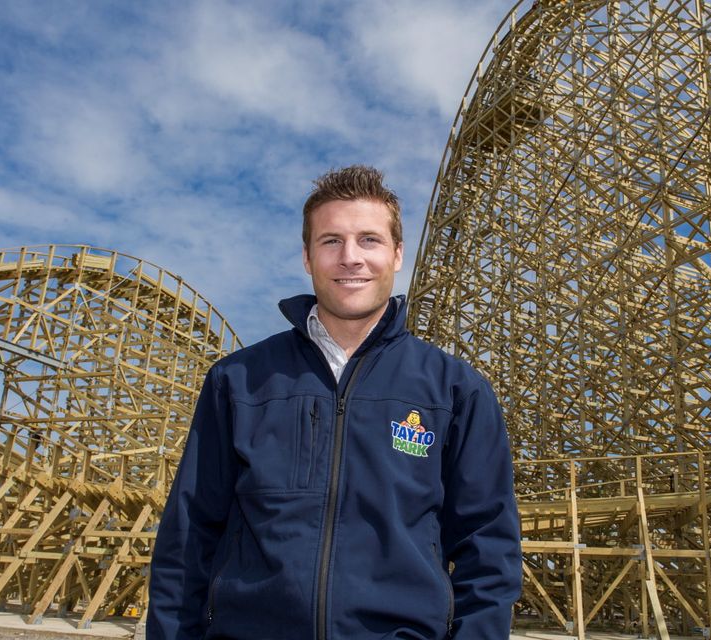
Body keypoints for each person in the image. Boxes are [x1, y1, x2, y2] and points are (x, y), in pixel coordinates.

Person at [147, 165, 521, 639]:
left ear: (397, 254)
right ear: (307, 257)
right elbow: (187, 538)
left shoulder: (456, 391)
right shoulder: (237, 381)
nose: (351, 258)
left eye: (369, 240)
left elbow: (487, 550)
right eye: (330, 241)